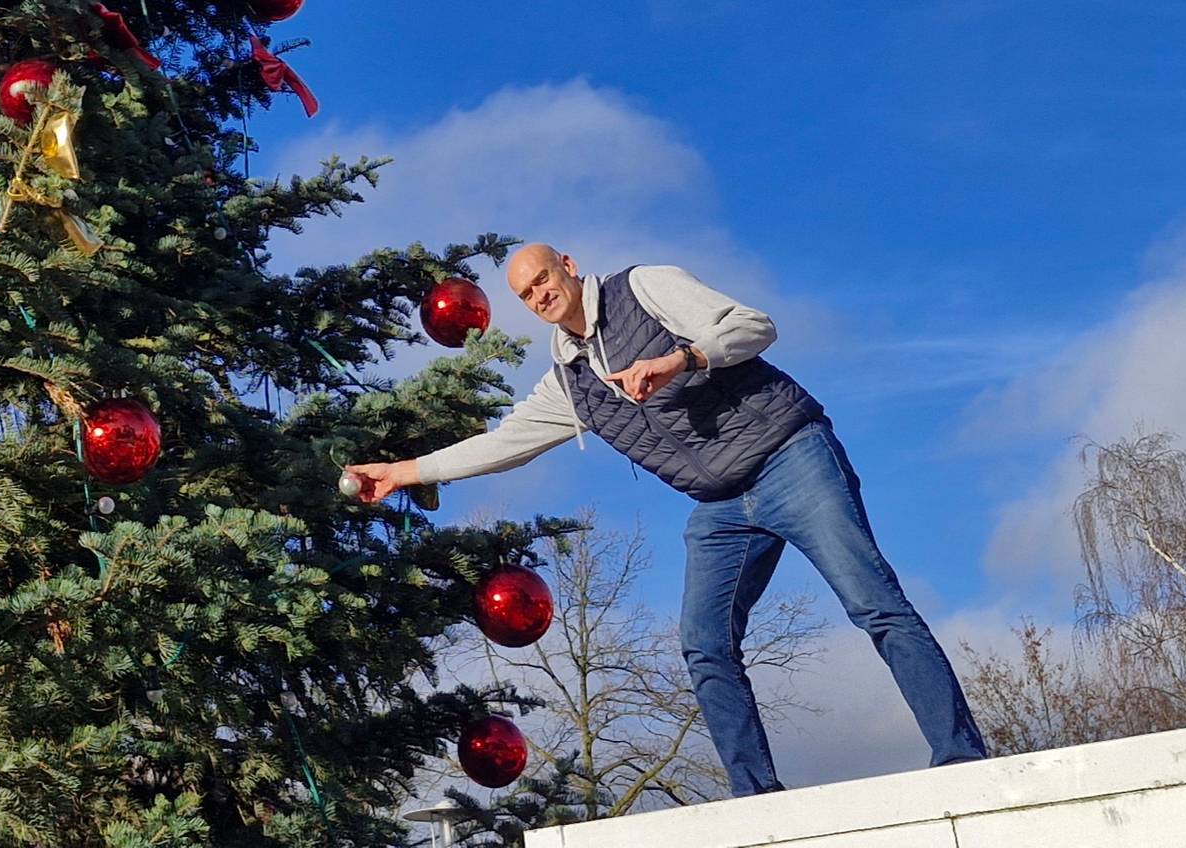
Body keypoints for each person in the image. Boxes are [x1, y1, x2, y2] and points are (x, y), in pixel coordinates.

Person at [344, 245, 986, 796]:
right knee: (704, 642)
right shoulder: (569, 382)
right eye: (525, 294)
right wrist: (404, 471)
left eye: (543, 279)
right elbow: (504, 442)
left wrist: (683, 359)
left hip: (790, 456)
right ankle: (755, 796)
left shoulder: (644, 288)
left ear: (568, 267)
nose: (539, 295)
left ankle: (960, 758)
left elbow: (753, 325)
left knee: (873, 602)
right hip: (722, 507)